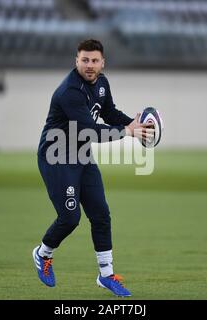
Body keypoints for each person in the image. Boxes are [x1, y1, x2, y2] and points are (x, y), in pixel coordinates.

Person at [33, 39, 153, 297]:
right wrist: (128, 132)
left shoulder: (102, 83)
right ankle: (43, 253)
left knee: (101, 214)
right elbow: (89, 130)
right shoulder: (70, 92)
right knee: (70, 218)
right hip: (56, 156)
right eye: (84, 60)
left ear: (102, 63)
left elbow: (108, 112)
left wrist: (134, 123)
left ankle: (106, 274)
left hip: (81, 155)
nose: (89, 65)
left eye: (94, 60)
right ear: (76, 61)